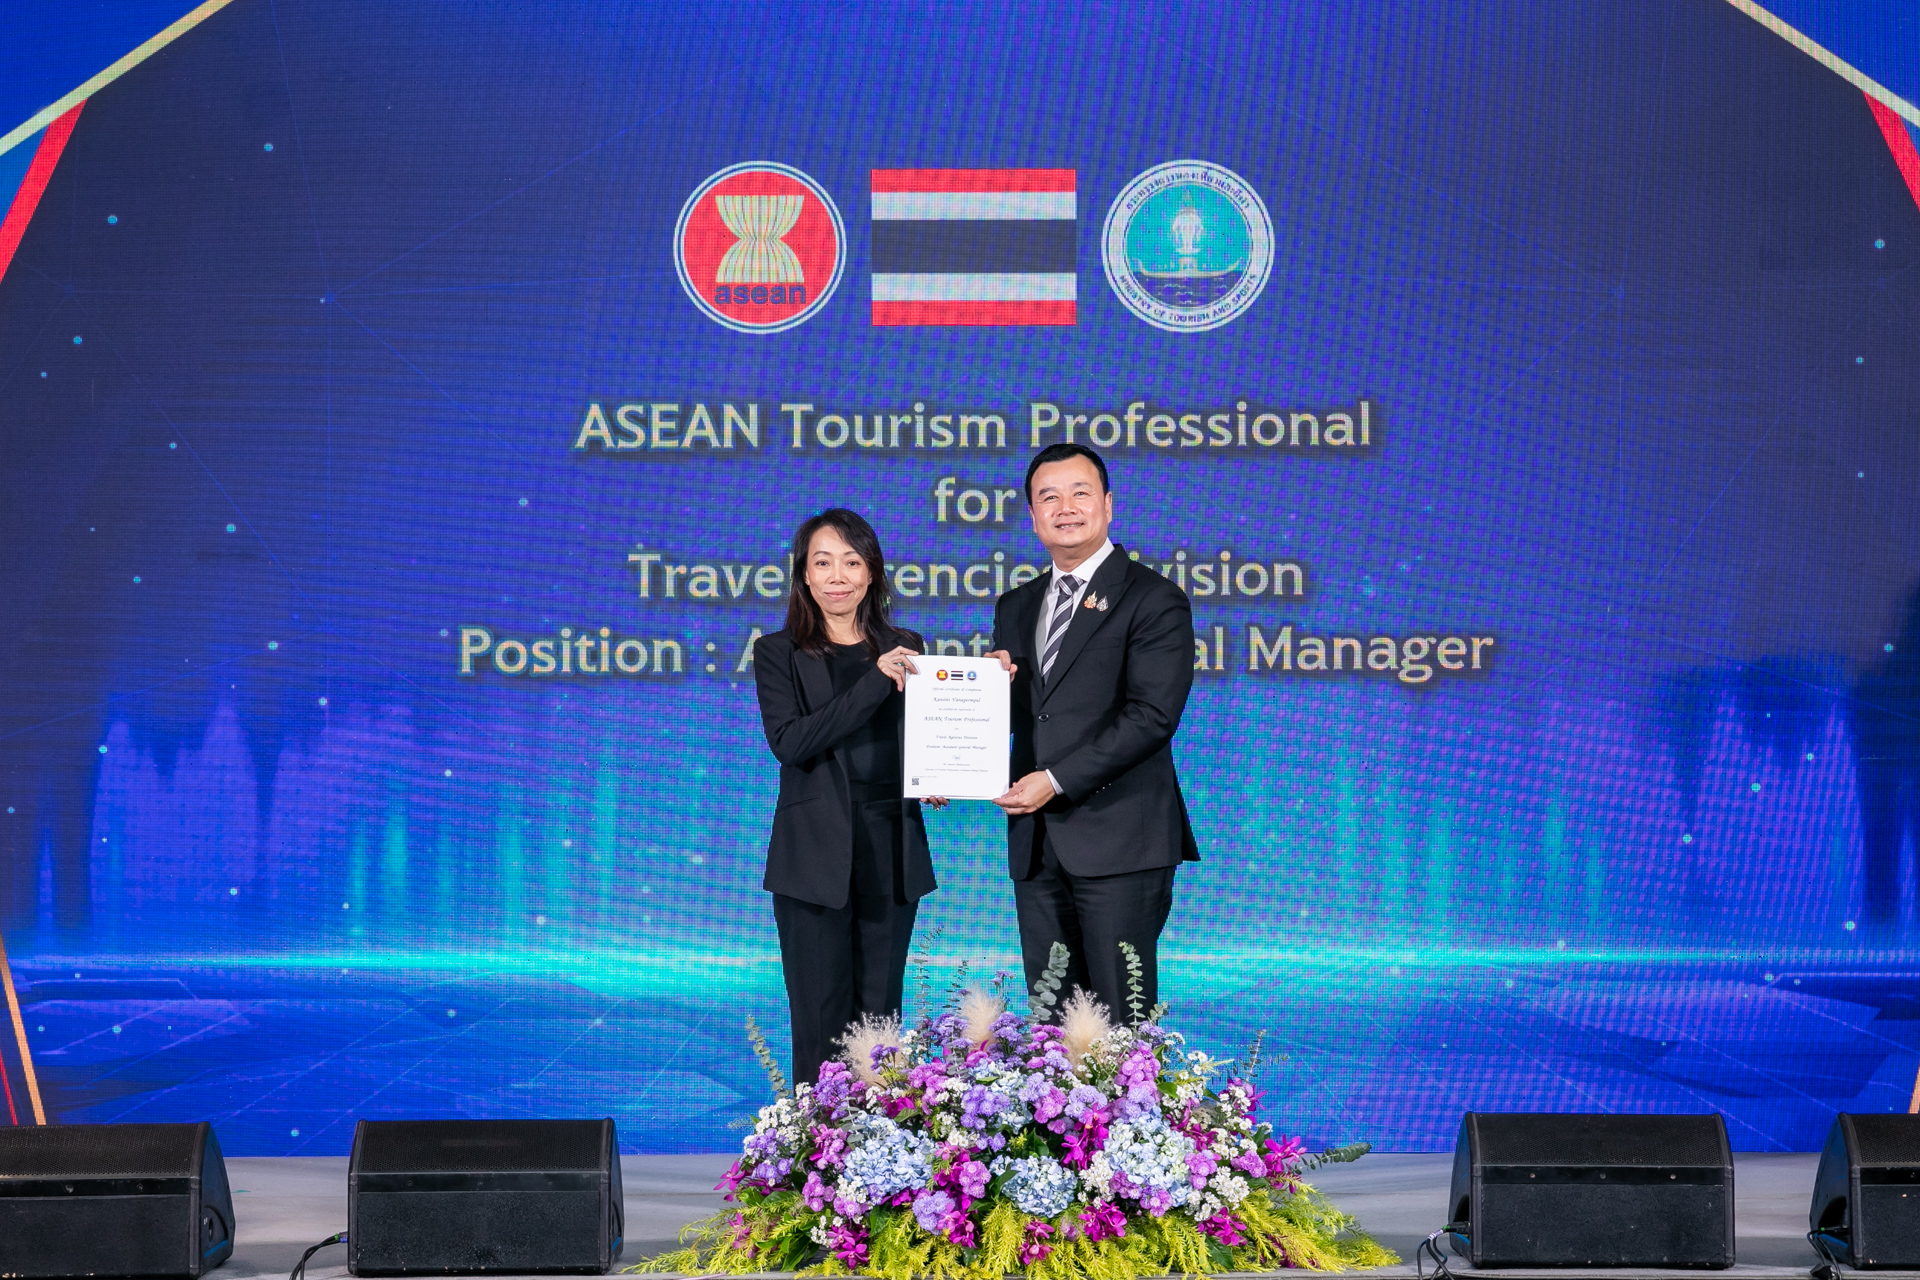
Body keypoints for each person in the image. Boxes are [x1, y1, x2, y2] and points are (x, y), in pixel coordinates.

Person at [986, 444, 1198, 1020]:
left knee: (1120, 1023)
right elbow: (1031, 714)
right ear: (1033, 516)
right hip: (1037, 845)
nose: (1066, 508)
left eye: (1080, 493)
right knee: (1051, 1025)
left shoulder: (1154, 598)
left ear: (1107, 504)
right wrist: (981, 700)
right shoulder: (1016, 605)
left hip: (1120, 838)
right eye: (1048, 497)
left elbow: (1152, 716)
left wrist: (1055, 779)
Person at [753, 508, 943, 1085]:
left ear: (872, 573)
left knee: (880, 1017)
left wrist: (936, 771)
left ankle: (880, 1134)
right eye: (823, 562)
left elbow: (920, 733)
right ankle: (818, 1136)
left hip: (890, 843)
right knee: (820, 1014)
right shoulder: (778, 652)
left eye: (852, 562)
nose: (838, 575)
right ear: (804, 576)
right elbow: (792, 743)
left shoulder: (906, 646)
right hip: (814, 853)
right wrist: (874, 681)